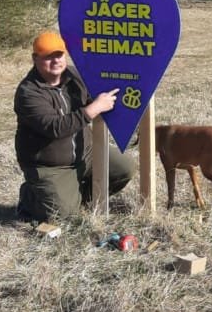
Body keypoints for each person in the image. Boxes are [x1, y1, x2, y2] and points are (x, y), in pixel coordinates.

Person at [14, 30, 135, 221]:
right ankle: (31, 197)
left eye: (59, 54)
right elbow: (56, 127)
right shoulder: (28, 92)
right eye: (47, 57)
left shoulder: (74, 75)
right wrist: (92, 110)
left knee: (125, 168)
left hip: (85, 152)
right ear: (35, 58)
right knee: (61, 215)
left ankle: (74, 196)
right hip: (49, 165)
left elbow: (95, 97)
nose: (55, 61)